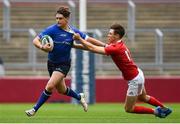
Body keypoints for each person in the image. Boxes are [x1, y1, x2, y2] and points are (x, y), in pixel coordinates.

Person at [73, 23, 172, 118]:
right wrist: (74, 45)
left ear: (117, 35)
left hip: (134, 79)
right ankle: (164, 108)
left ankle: (157, 112)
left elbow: (92, 48)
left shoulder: (115, 48)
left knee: (129, 108)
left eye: (110, 34)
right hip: (137, 73)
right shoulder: (117, 45)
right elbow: (97, 46)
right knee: (143, 97)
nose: (108, 35)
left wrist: (80, 39)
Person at [25, 6, 106, 117]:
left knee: (49, 86)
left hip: (63, 64)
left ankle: (34, 109)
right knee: (62, 90)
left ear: (67, 19)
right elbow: (35, 40)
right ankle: (79, 97)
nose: (58, 20)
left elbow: (89, 40)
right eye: (56, 18)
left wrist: (105, 45)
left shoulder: (74, 32)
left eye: (60, 18)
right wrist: (42, 47)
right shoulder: (52, 29)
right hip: (51, 63)